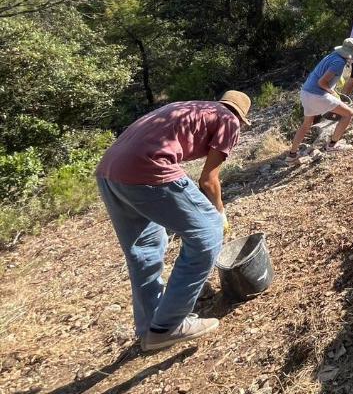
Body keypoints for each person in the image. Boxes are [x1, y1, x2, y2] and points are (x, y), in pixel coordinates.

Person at [95, 91, 251, 352]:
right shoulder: (229, 120)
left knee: (145, 247)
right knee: (208, 232)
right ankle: (169, 325)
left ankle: (150, 328)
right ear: (241, 116)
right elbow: (208, 180)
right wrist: (220, 214)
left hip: (108, 172)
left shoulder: (192, 106)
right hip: (146, 166)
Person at [286, 38, 353, 163]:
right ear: (350, 53)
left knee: (306, 125)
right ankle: (332, 146)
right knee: (349, 114)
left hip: (306, 92)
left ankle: (291, 156)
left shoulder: (333, 55)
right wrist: (333, 92)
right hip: (317, 94)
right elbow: (321, 82)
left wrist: (336, 81)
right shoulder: (339, 63)